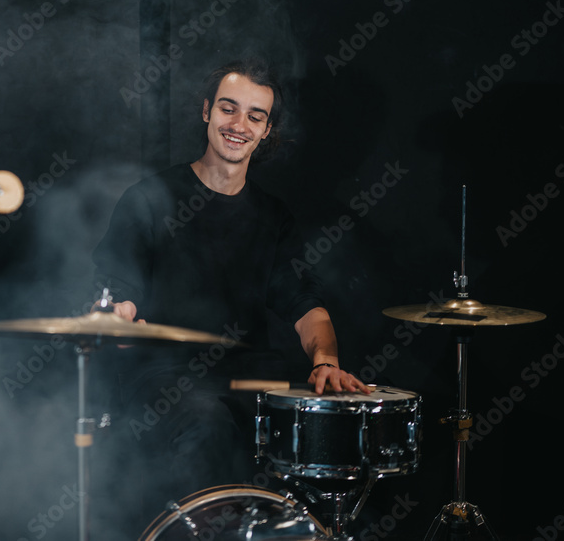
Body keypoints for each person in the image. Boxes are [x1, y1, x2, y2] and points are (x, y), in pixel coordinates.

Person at [92, 58, 368, 534]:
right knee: (207, 424)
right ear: (206, 111)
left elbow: (307, 306)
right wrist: (120, 315)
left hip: (250, 381)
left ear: (266, 131)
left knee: (338, 427)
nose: (239, 125)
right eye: (228, 108)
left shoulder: (273, 216)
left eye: (255, 116)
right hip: (164, 380)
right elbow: (122, 289)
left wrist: (326, 360)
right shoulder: (150, 198)